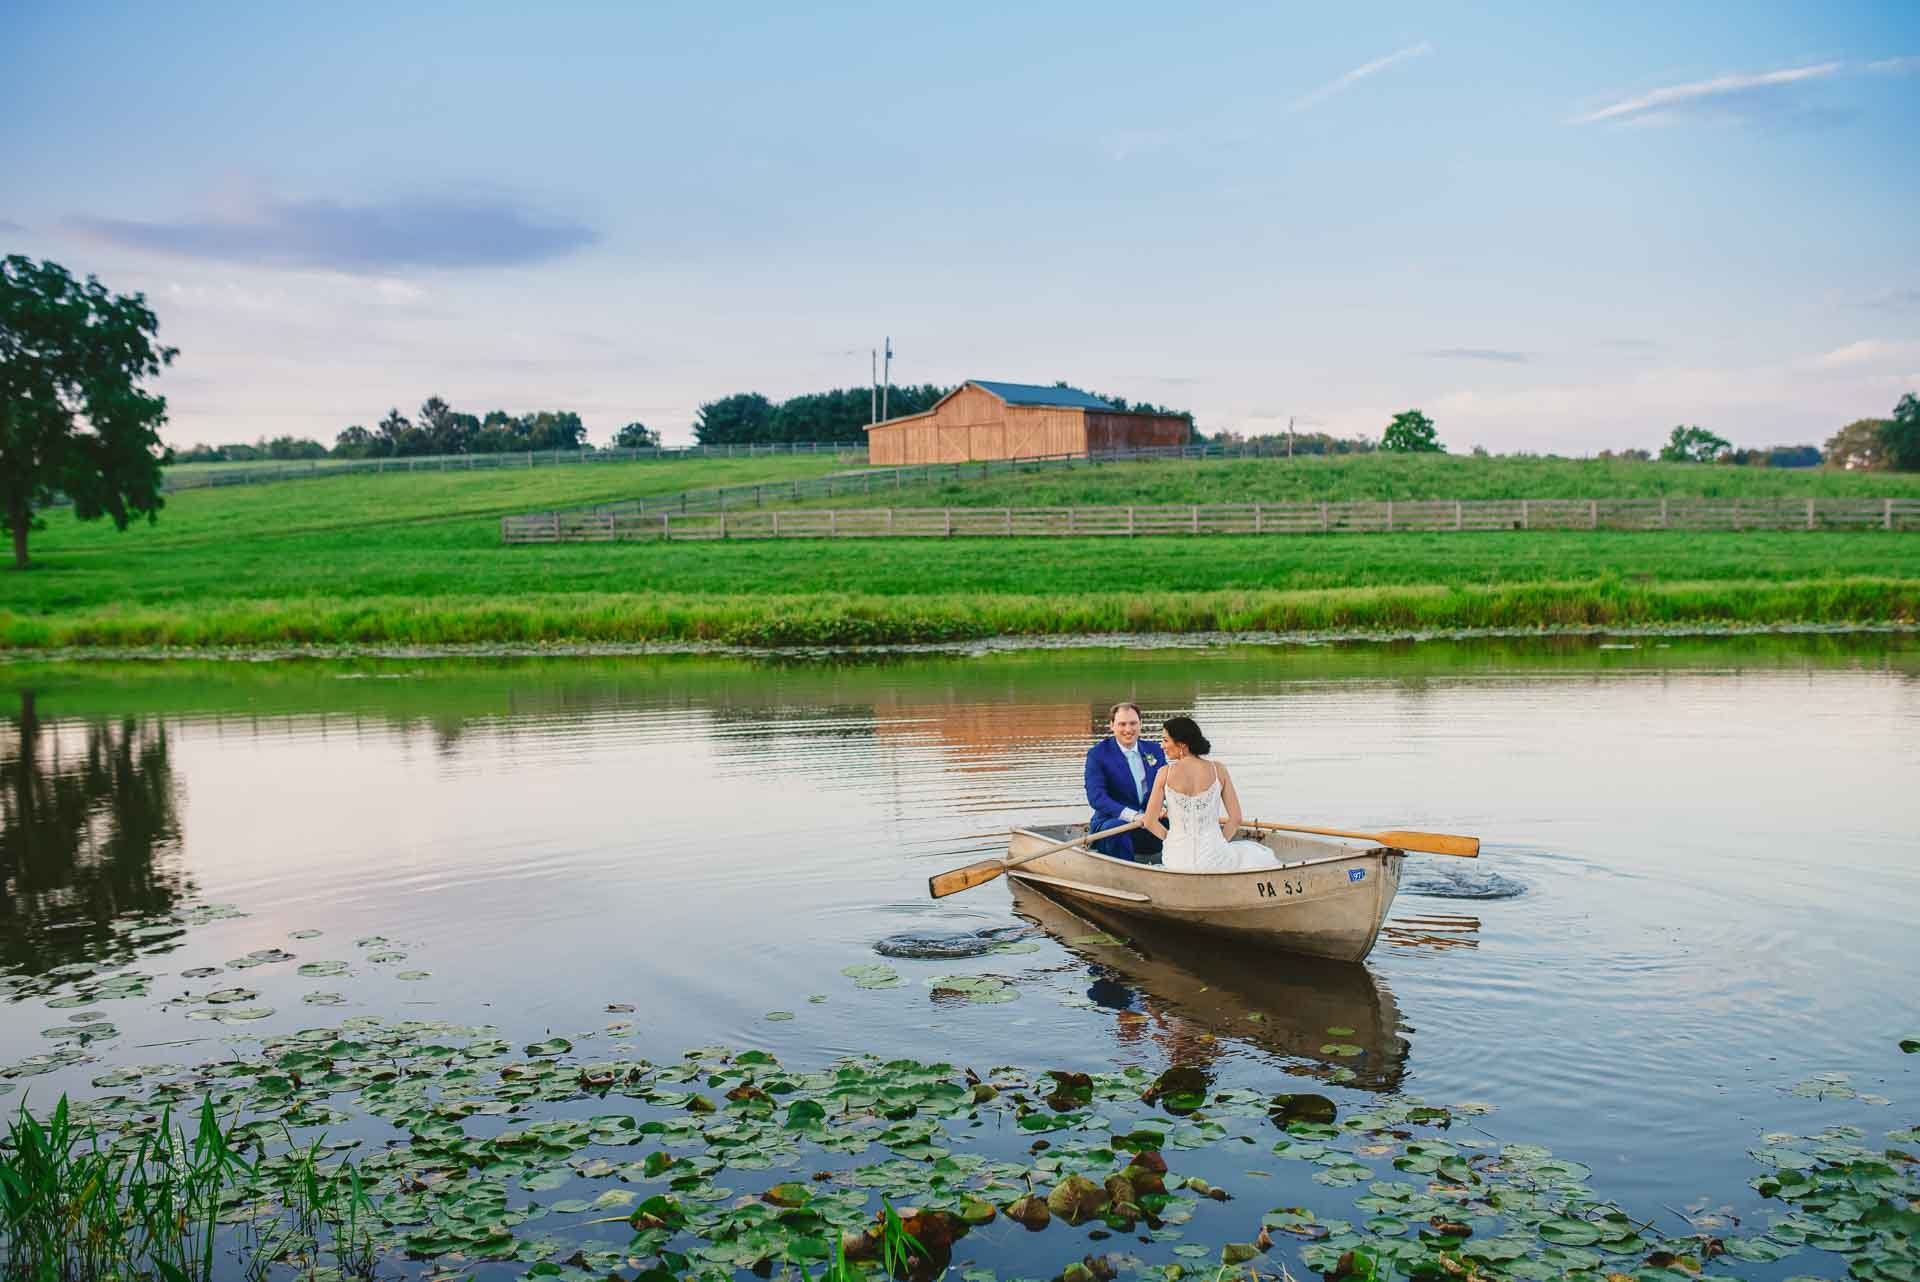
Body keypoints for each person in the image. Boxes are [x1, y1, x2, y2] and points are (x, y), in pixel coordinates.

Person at [1140, 715, 1279, 872]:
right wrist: (1219, 842)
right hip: (1215, 858)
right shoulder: (1218, 769)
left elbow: (1149, 822)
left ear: (1181, 744)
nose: (1162, 746)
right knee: (1253, 853)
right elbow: (1236, 819)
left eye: (1165, 740)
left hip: (1176, 859)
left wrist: (1171, 839)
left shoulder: (1164, 773)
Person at [1084, 702, 1165, 861]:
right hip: (1112, 824)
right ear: (1112, 725)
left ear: (1141, 724)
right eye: (1122, 724)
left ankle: (1178, 870)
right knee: (1117, 829)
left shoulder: (1154, 750)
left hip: (1150, 822)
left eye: (1133, 723)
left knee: (1180, 823)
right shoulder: (1097, 754)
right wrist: (1134, 816)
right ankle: (1127, 875)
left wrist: (1164, 807)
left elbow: (1169, 786)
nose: (1128, 730)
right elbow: (1097, 797)